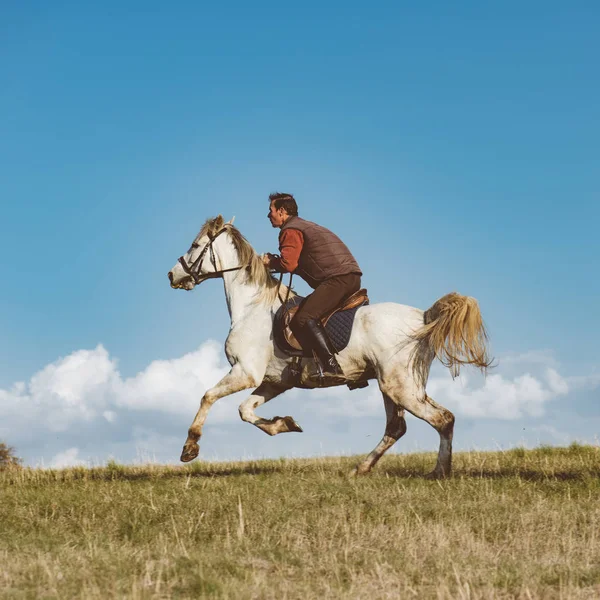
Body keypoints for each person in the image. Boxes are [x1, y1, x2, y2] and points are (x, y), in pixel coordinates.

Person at [262, 192, 362, 376]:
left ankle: (332, 367)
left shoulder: (290, 230)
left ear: (282, 211)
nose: (268, 215)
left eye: (271, 211)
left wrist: (270, 263)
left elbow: (288, 264)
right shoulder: (305, 225)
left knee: (304, 317)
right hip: (349, 276)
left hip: (337, 279)